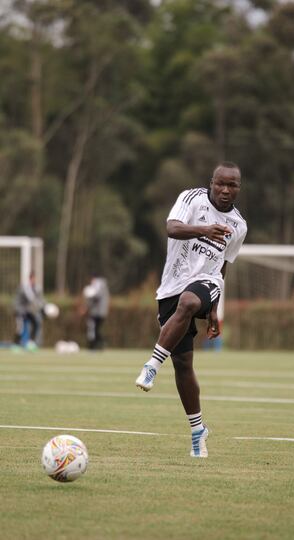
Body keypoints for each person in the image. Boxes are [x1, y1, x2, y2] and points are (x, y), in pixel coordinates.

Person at [135, 161, 247, 458]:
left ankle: (151, 366)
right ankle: (198, 431)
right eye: (220, 183)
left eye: (232, 185)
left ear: (239, 187)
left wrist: (215, 310)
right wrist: (204, 230)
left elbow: (223, 266)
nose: (225, 189)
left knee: (190, 302)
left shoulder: (239, 225)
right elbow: (172, 228)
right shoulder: (191, 198)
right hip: (171, 286)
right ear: (212, 182)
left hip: (207, 283)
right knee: (183, 364)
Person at [13, 270, 45, 350]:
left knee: (36, 323)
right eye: (32, 278)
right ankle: (16, 344)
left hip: (28, 311)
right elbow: (17, 301)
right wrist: (18, 310)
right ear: (29, 278)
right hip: (20, 311)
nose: (33, 280)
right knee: (20, 327)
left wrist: (44, 307)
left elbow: (40, 300)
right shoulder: (23, 288)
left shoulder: (37, 288)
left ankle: (31, 343)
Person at [82, 274, 110, 350]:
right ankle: (98, 345)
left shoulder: (100, 286)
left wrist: (89, 297)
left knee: (95, 330)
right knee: (96, 329)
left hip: (97, 313)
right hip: (99, 313)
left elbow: (96, 297)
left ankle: (98, 345)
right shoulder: (101, 286)